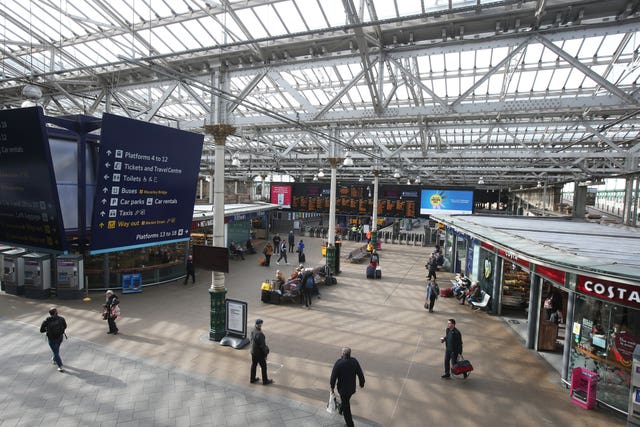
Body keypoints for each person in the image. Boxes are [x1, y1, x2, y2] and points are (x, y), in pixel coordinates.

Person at [330, 347, 365, 427]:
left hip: (342, 389)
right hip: (351, 388)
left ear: (342, 353)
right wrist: (362, 382)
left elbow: (333, 376)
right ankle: (341, 409)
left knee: (347, 407)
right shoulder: (354, 361)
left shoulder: (339, 363)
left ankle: (350, 424)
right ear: (350, 354)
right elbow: (360, 373)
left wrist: (332, 386)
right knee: (345, 400)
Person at [40, 307, 67, 372]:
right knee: (56, 350)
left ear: (50, 314)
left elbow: (41, 330)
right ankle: (55, 359)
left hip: (51, 338)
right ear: (56, 313)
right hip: (60, 337)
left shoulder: (46, 321)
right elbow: (65, 326)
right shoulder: (61, 319)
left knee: (55, 352)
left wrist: (47, 329)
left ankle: (60, 366)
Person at [250, 319, 273, 385]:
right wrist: (265, 354)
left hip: (253, 351)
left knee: (254, 365)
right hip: (259, 353)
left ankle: (252, 379)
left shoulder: (253, 330)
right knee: (263, 366)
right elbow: (262, 346)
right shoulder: (260, 334)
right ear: (260, 325)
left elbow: (251, 340)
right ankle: (265, 381)